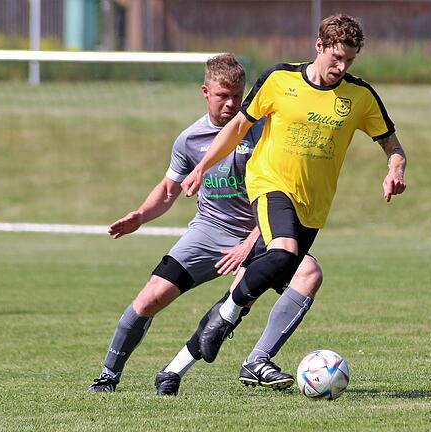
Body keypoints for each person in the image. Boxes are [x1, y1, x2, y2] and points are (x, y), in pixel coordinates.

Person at [180, 14, 407, 389]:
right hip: (270, 185)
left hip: (313, 207)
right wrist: (203, 166)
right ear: (318, 46)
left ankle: (248, 360)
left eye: (349, 60)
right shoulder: (279, 79)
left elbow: (392, 145)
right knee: (283, 253)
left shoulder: (360, 96)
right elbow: (237, 127)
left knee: (289, 274)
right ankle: (224, 314)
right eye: (335, 57)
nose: (341, 67)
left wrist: (395, 168)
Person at [87, 53, 323, 395]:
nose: (230, 104)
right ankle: (108, 376)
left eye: (237, 97)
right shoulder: (190, 139)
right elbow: (169, 190)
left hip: (261, 234)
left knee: (308, 274)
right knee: (149, 298)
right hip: (208, 231)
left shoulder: (262, 134)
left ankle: (255, 361)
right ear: (205, 92)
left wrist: (251, 242)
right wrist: (140, 215)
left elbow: (278, 195)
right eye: (222, 96)